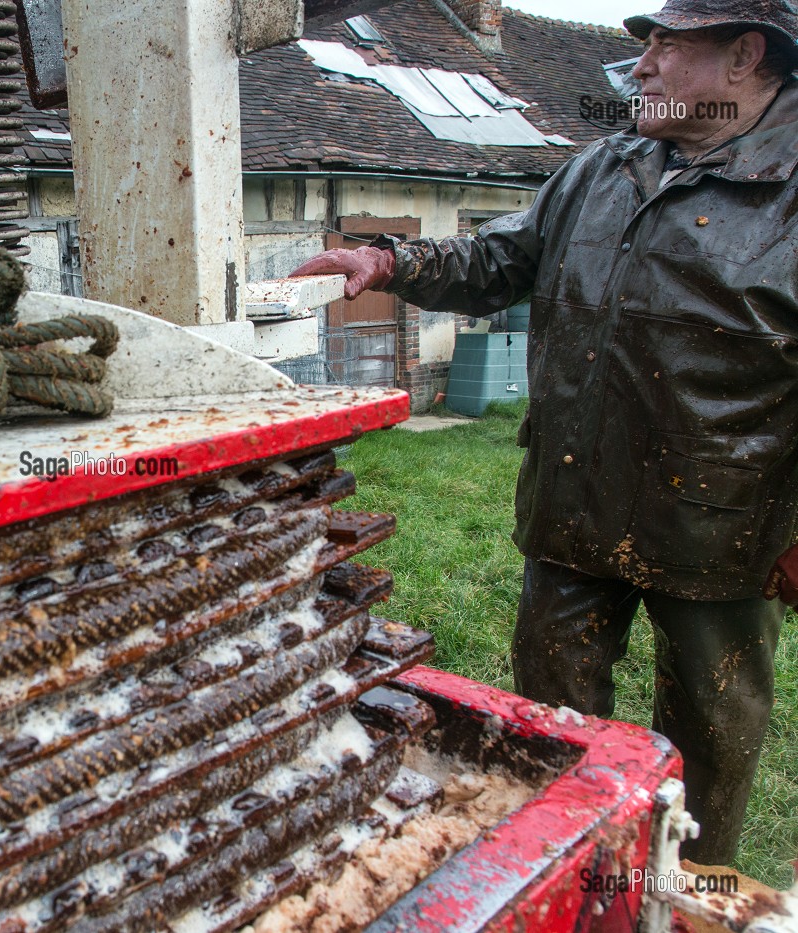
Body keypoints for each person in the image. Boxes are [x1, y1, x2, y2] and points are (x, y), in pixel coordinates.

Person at [291, 0, 798, 865]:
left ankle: (690, 893)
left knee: (712, 734)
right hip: (576, 501)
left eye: (666, 48)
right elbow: (496, 259)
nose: (639, 67)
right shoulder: (603, 169)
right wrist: (389, 259)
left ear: (745, 56)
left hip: (725, 527)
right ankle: (573, 877)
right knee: (555, 726)